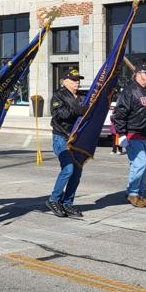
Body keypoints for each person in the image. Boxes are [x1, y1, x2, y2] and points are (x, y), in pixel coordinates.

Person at [112, 63, 146, 208]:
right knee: (139, 164)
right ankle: (132, 194)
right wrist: (121, 134)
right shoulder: (130, 91)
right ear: (138, 74)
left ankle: (140, 193)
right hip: (134, 134)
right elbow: (119, 114)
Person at [46, 69, 86, 218]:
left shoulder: (82, 97)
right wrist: (79, 110)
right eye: (74, 79)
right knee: (68, 168)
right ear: (65, 81)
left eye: (78, 79)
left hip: (77, 139)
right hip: (61, 137)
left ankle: (67, 203)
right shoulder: (58, 95)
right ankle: (54, 200)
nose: (77, 82)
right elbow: (60, 114)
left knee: (77, 171)